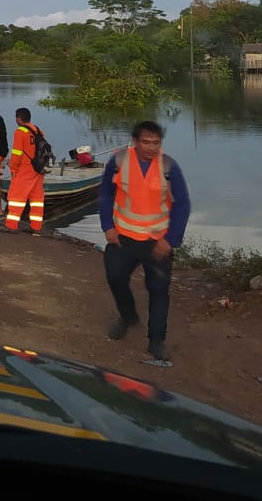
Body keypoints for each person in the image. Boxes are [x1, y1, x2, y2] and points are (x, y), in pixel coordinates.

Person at [100, 120, 192, 365]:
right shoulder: (119, 162)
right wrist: (107, 226)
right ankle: (127, 316)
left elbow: (183, 203)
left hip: (156, 242)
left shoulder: (168, 166)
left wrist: (171, 240)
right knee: (115, 277)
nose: (151, 147)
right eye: (146, 142)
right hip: (124, 237)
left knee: (159, 291)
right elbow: (106, 194)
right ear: (135, 142)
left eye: (156, 142)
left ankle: (156, 341)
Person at [0, 108, 45, 235]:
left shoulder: (20, 132)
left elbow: (17, 153)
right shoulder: (39, 131)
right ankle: (36, 226)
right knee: (37, 199)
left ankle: (11, 225)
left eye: (16, 118)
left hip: (25, 169)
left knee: (15, 197)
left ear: (19, 118)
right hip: (38, 169)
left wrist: (13, 168)